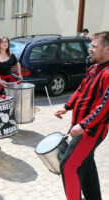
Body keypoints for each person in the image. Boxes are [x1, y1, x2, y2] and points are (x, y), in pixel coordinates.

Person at [54, 31, 109, 200]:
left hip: (90, 131)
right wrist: (67, 106)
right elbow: (82, 90)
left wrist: (84, 125)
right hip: (82, 127)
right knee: (86, 163)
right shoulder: (94, 68)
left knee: (68, 165)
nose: (90, 49)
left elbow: (105, 105)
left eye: (94, 46)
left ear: (107, 50)